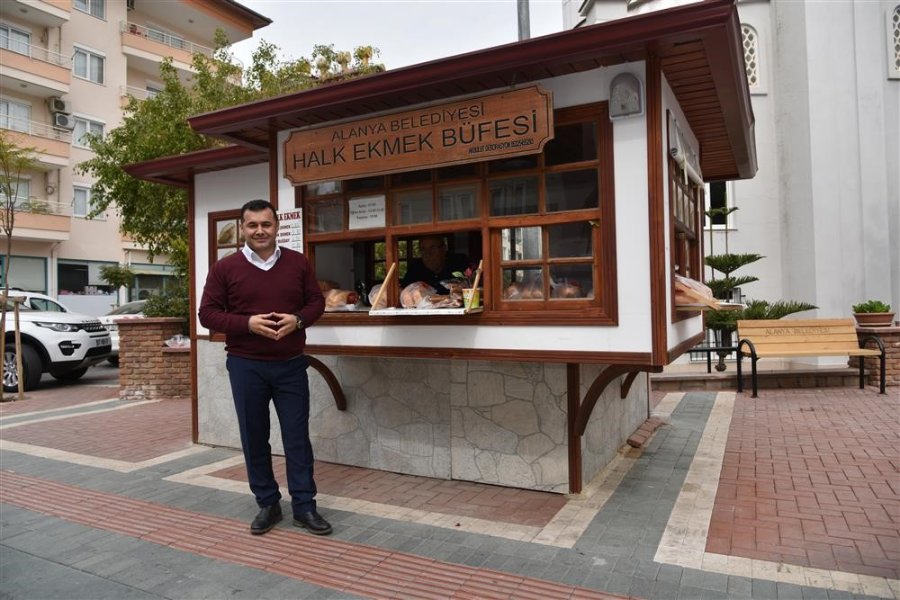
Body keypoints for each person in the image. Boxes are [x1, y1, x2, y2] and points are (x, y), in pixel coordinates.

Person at [198, 199, 331, 536]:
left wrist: (298, 319)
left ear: (277, 226)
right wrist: (247, 324)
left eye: (266, 224)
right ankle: (267, 503)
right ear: (243, 228)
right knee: (254, 437)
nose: (260, 230)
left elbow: (316, 302)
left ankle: (304, 506)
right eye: (252, 225)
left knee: (297, 438)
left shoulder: (298, 263)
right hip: (246, 366)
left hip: (290, 365)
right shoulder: (224, 268)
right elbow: (207, 314)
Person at [400, 235, 470, 294]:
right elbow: (404, 293)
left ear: (444, 249)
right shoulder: (415, 269)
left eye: (433, 248)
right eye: (423, 249)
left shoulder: (458, 262)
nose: (428, 253)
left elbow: (471, 288)